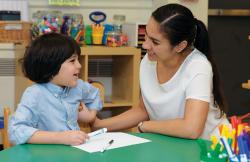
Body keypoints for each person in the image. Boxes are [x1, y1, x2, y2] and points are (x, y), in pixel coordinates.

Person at [92, 3, 228, 140]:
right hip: (176, 145)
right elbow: (143, 110)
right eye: (146, 35)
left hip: (212, 148)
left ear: (180, 46)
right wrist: (99, 125)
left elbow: (191, 129)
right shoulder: (148, 61)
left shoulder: (198, 67)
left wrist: (146, 126)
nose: (145, 45)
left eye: (155, 42)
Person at [9, 33, 102, 145]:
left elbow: (94, 94)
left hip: (75, 153)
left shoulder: (78, 86)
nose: (79, 65)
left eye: (78, 60)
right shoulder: (35, 94)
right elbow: (16, 131)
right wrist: (60, 137)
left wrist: (90, 116)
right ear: (51, 66)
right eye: (72, 61)